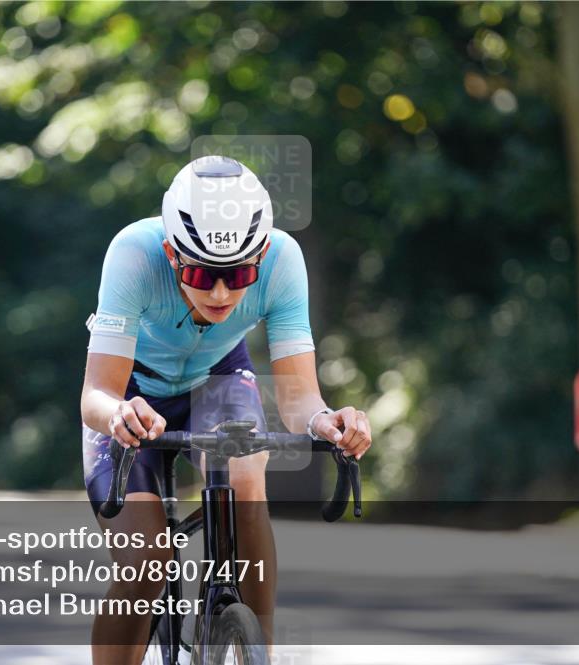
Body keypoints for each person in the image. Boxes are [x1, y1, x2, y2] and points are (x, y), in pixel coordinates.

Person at [80, 155, 372, 665]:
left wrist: (327, 422)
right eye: (199, 272)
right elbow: (96, 395)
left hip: (216, 383)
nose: (219, 293)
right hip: (133, 393)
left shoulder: (282, 258)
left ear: (259, 256)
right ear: (172, 254)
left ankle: (259, 650)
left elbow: (300, 397)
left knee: (246, 477)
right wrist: (119, 415)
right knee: (147, 561)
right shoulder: (132, 252)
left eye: (239, 276)